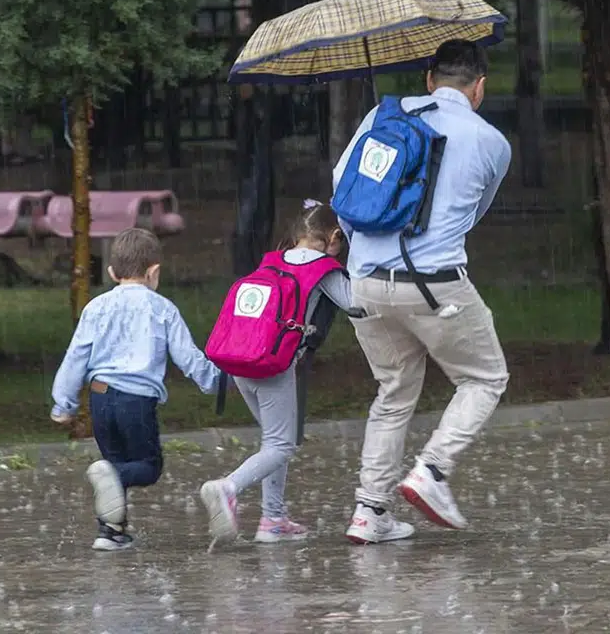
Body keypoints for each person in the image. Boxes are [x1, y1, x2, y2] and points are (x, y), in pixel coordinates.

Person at [331, 39, 512, 544]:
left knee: (393, 393)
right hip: (434, 285)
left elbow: (342, 189)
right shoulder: (492, 141)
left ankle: (369, 511)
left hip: (365, 282)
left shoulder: (382, 117)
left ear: (429, 80)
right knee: (484, 378)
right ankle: (432, 471)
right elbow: (474, 214)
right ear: (479, 88)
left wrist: (366, 248)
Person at [49, 227, 224, 551]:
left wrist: (64, 404)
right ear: (154, 272)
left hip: (100, 396)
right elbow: (187, 356)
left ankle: (110, 532)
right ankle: (112, 495)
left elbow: (75, 357)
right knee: (147, 466)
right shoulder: (162, 309)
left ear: (112, 272)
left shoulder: (96, 307)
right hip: (136, 400)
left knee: (113, 464)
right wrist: (215, 381)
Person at [198, 200, 356, 544]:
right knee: (281, 445)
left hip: (242, 361)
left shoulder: (272, 260)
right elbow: (356, 304)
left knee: (273, 441)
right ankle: (228, 488)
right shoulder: (323, 268)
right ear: (333, 236)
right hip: (274, 366)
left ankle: (273, 519)